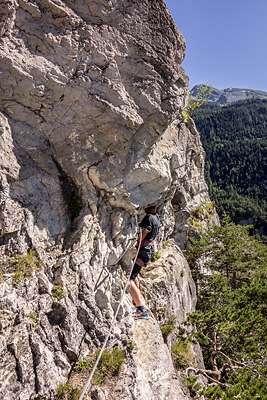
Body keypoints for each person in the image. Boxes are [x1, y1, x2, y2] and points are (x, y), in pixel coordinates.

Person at [129, 205, 160, 320]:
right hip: (148, 250)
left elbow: (144, 233)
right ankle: (135, 299)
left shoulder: (148, 218)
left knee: (129, 278)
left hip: (142, 250)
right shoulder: (156, 217)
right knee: (134, 274)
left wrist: (136, 242)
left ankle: (141, 309)